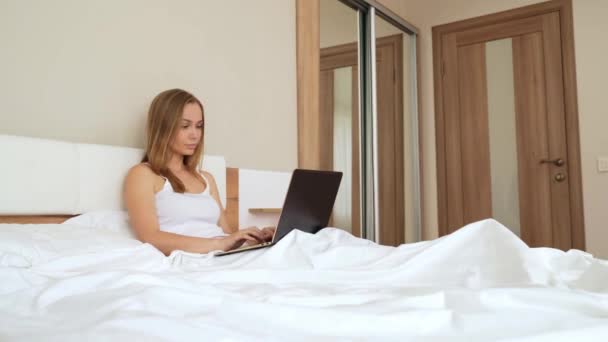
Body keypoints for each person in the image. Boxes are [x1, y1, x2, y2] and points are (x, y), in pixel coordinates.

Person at [124, 89, 275, 255]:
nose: (195, 135)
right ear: (163, 127)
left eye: (199, 126)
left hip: (222, 256)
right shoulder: (142, 174)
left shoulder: (206, 179)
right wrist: (219, 243)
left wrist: (254, 238)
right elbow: (150, 237)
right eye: (185, 126)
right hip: (194, 259)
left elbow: (226, 235)